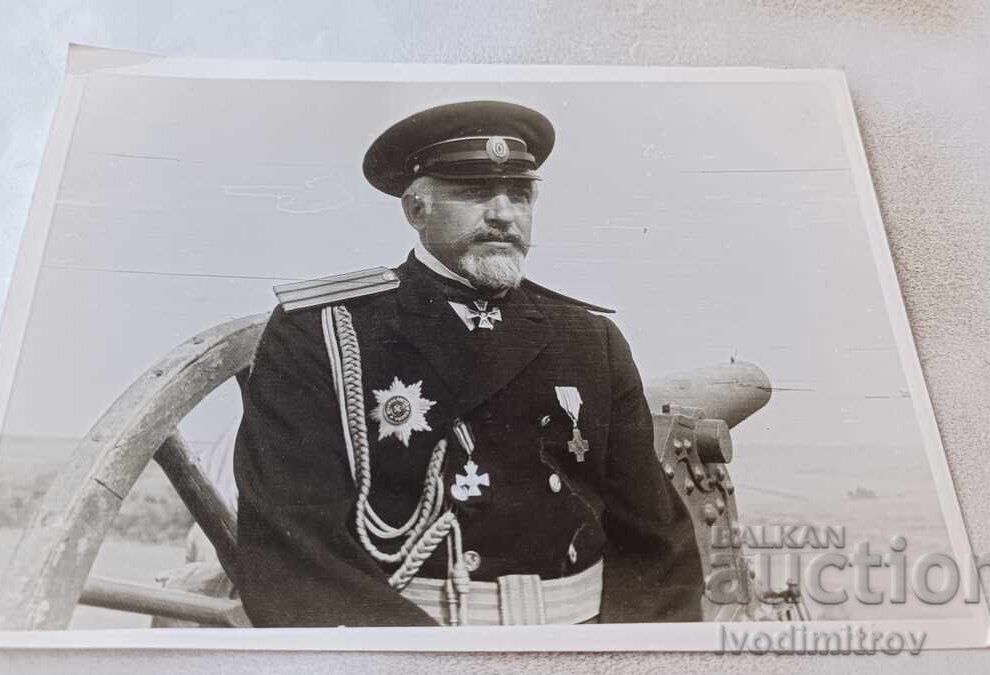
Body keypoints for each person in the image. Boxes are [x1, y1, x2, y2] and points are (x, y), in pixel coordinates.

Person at [233, 100, 702, 627]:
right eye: (475, 192)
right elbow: (292, 546)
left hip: (580, 642)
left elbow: (656, 540)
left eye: (520, 194)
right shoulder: (322, 331)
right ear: (416, 211)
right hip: (409, 646)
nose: (503, 213)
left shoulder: (591, 338)